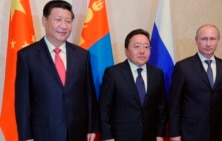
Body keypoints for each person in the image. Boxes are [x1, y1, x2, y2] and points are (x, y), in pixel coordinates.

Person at [15, 1, 98, 141]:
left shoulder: (82, 55)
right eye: (58, 20)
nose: (63, 26)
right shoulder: (27, 56)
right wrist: (26, 136)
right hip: (43, 133)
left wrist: (91, 127)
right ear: (44, 20)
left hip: (77, 131)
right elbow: (22, 102)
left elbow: (89, 94)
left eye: (68, 21)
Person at [168, 24, 222, 141]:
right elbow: (174, 105)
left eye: (212, 39)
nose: (208, 44)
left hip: (216, 132)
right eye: (204, 39)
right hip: (189, 133)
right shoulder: (183, 67)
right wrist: (174, 134)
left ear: (218, 40)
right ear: (196, 40)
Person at [99, 28, 167, 141]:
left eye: (146, 47)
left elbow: (161, 107)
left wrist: (160, 134)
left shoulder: (157, 73)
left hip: (150, 136)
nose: (142, 51)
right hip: (121, 136)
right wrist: (107, 137)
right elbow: (104, 108)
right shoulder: (113, 73)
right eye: (137, 46)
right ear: (126, 50)